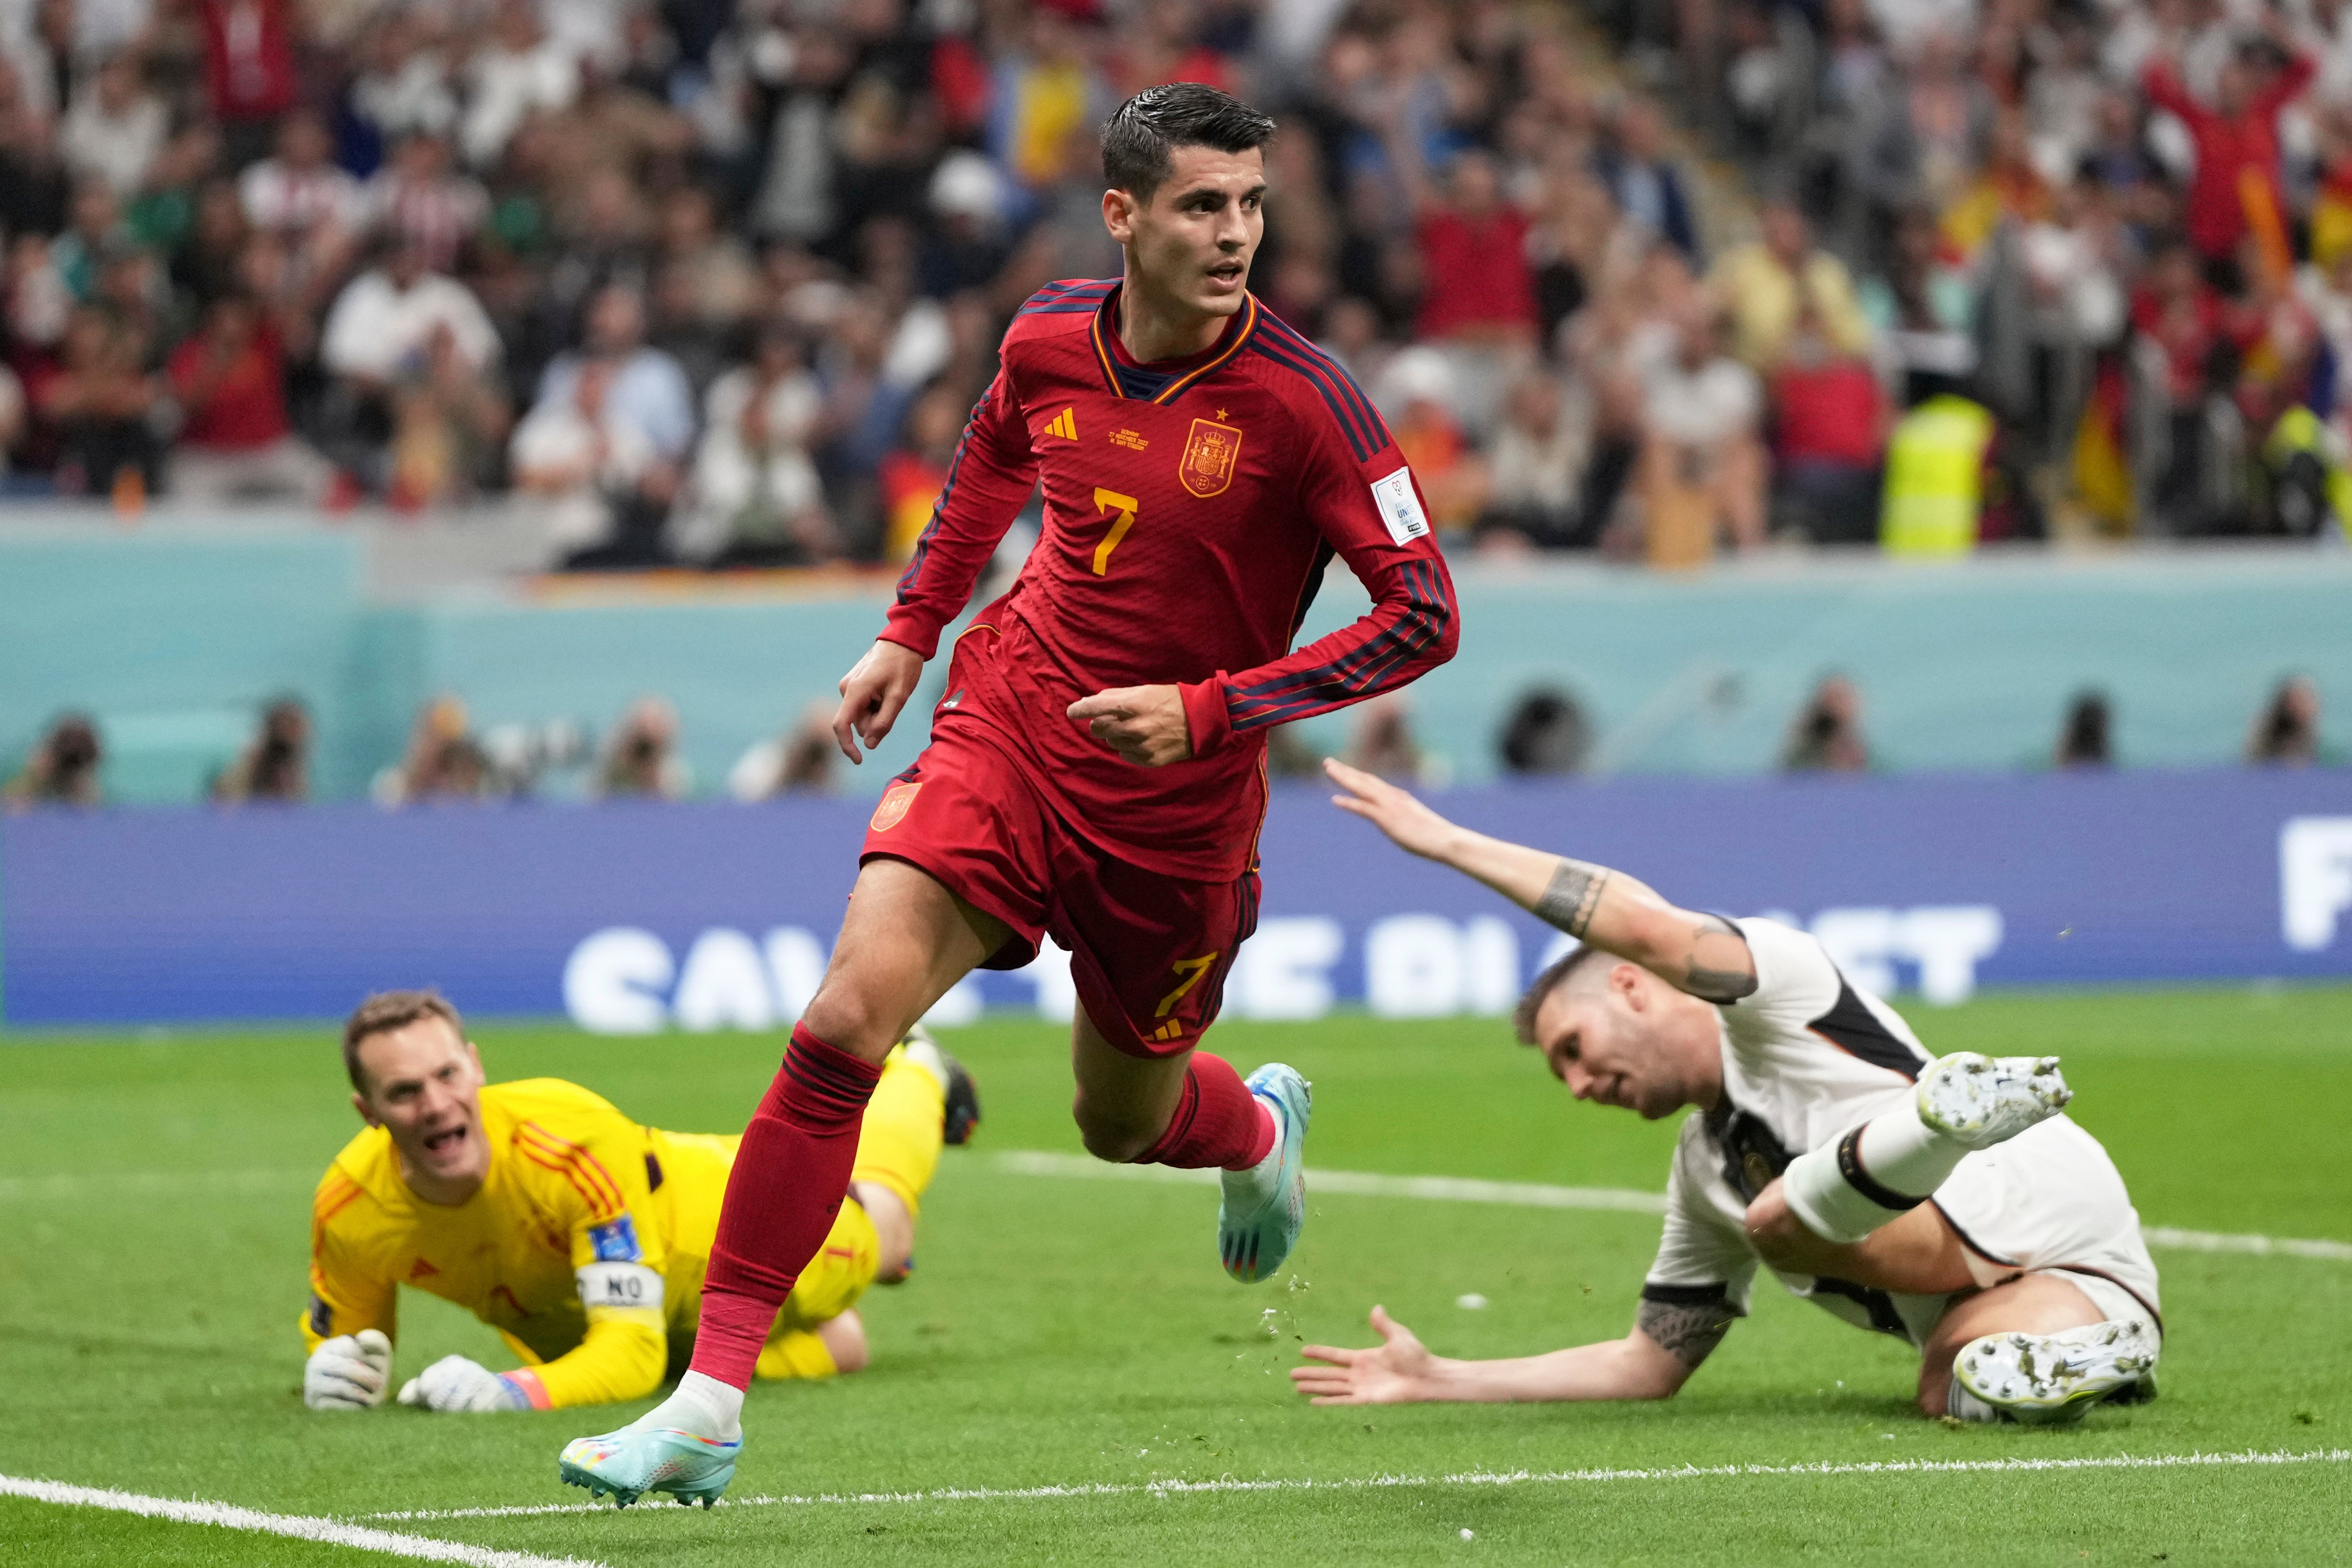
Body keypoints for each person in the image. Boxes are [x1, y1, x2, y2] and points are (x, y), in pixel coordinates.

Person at [557, 82, 1458, 1506]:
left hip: (1173, 812)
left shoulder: (1306, 403)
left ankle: (1255, 1134)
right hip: (1012, 723)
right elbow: (987, 464)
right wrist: (910, 631)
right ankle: (711, 1396)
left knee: (1121, 1117)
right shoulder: (1045, 337)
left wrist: (1214, 707)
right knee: (849, 1012)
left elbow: (1423, 614)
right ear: (1123, 216)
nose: (1236, 235)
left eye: (1251, 204)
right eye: (1202, 205)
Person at [1292, 760, 2161, 1425]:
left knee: (1776, 1220)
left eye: (1574, 1048)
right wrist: (1440, 1378)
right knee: (1948, 1386)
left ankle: (1942, 1119)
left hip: (2018, 1176)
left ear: (1631, 989)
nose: (1579, 1085)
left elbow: (1639, 922)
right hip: (2073, 1280)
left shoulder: (1780, 990)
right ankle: (2096, 1354)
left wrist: (1447, 842)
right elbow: (1648, 1362)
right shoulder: (1702, 1168)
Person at [300, 992, 977, 1420]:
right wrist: (334, 1369)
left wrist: (512, 1392)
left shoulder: (568, 1139)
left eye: (448, 1075)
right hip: (624, 1319)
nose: (437, 1105)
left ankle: (920, 1069)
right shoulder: (350, 1209)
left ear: (476, 1066)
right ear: (368, 1112)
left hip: (736, 1234)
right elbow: (353, 1348)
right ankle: (825, 1338)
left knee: (883, 1233)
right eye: (405, 1091)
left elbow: (629, 1354)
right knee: (801, 1350)